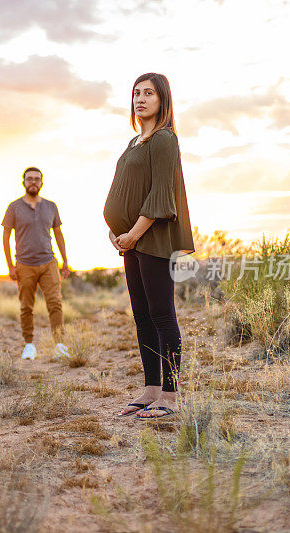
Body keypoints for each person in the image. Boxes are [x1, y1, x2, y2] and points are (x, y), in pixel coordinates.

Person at [103, 73, 195, 420]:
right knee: (141, 316)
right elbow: (123, 189)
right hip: (131, 241)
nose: (140, 99)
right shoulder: (134, 142)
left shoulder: (164, 139)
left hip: (152, 239)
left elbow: (160, 196)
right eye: (136, 93)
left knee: (161, 315)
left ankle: (170, 398)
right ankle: (150, 389)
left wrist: (134, 233)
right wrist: (115, 232)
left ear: (163, 100)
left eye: (149, 93)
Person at [2, 167, 71, 360]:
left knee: (55, 304)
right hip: (24, 264)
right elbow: (6, 237)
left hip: (48, 262)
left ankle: (59, 345)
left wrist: (65, 261)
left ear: (42, 183)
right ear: (23, 182)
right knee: (26, 307)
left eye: (37, 179)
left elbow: (58, 234)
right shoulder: (14, 207)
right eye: (30, 179)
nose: (33, 182)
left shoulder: (51, 206)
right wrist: (10, 266)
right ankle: (29, 345)